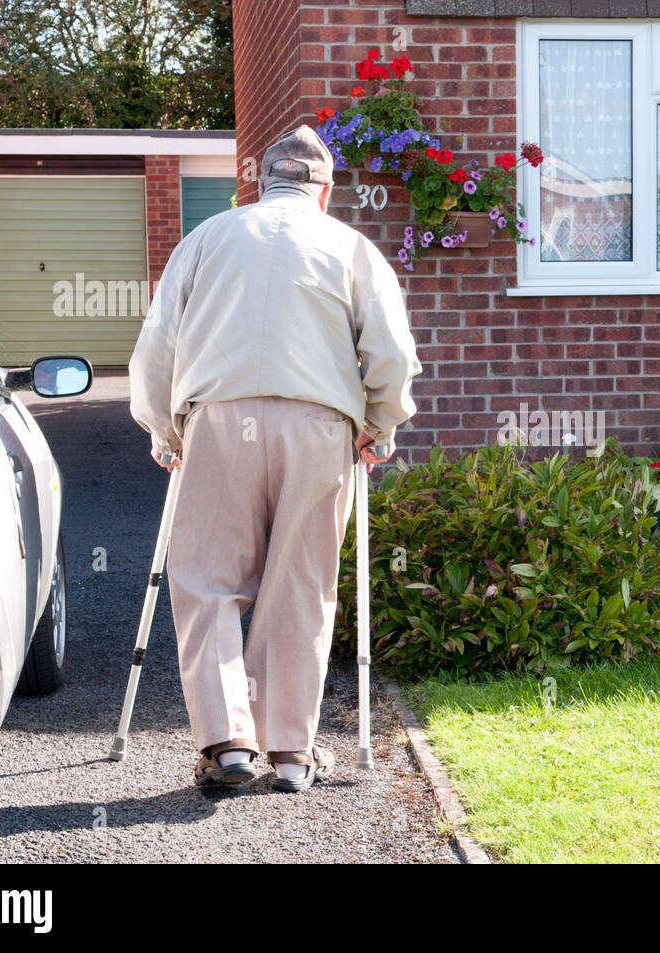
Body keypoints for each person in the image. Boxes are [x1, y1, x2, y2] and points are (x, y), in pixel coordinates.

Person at [128, 125, 421, 792]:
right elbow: (393, 357)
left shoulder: (205, 240)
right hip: (321, 429)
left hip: (219, 419)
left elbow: (155, 351)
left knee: (206, 579)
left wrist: (165, 430)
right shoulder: (350, 247)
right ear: (323, 193)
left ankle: (229, 745)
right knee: (300, 584)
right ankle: (291, 754)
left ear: (259, 187)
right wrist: (380, 427)